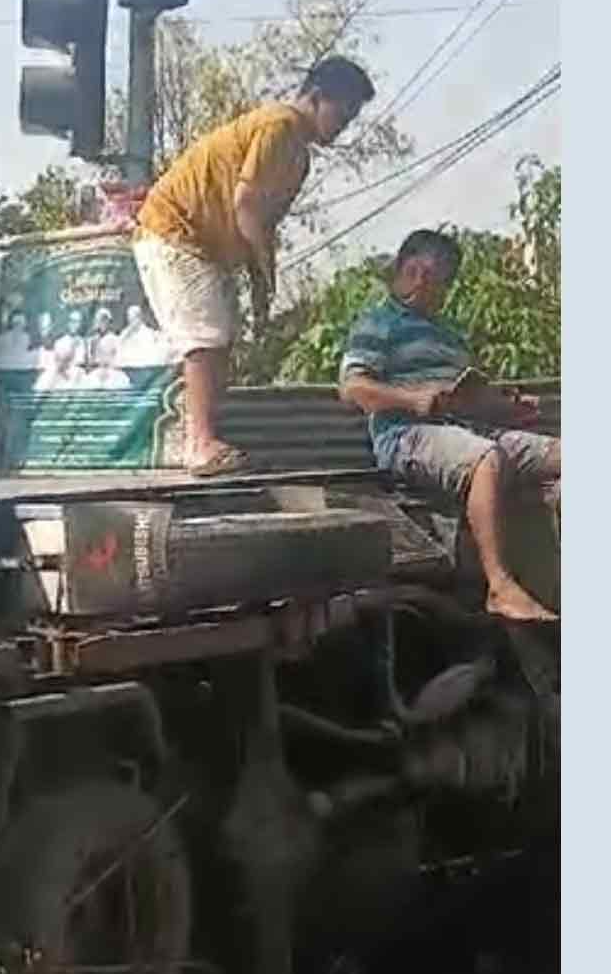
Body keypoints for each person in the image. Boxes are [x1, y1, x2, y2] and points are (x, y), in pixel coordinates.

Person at [133, 55, 376, 476]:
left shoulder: (300, 158)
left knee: (220, 337)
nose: (345, 124)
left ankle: (196, 436)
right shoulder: (278, 126)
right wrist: (261, 269)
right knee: (204, 335)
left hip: (208, 247)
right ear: (317, 98)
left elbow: (266, 222)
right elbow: (246, 207)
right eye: (343, 111)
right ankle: (200, 443)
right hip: (175, 230)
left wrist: (264, 280)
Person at [337, 230, 560, 621]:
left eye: (439, 278)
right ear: (406, 270)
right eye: (421, 272)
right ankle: (499, 587)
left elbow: (468, 399)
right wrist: (414, 399)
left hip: (465, 428)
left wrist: (509, 408)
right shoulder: (378, 323)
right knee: (485, 458)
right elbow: (352, 388)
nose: (429, 284)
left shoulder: (450, 334)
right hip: (406, 434)